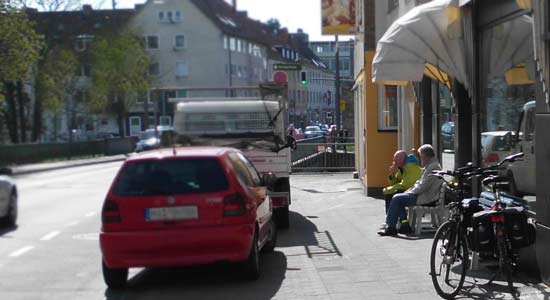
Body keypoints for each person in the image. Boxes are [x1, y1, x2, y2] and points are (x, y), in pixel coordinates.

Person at [378, 144, 442, 236]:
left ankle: (392, 226)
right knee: (397, 196)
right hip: (422, 194)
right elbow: (419, 183)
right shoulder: (430, 166)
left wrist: (409, 192)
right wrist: (391, 175)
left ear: (426, 156)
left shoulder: (432, 167)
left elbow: (423, 185)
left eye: (421, 156)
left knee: (397, 198)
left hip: (426, 197)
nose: (421, 159)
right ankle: (398, 225)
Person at [382, 150, 422, 227]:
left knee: (396, 194)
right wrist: (391, 175)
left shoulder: (411, 167)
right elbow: (394, 183)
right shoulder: (401, 168)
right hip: (409, 191)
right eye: (394, 158)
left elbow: (406, 184)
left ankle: (401, 221)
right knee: (391, 194)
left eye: (396, 158)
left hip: (415, 193)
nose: (394, 160)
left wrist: (388, 189)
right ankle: (392, 220)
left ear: (402, 159)